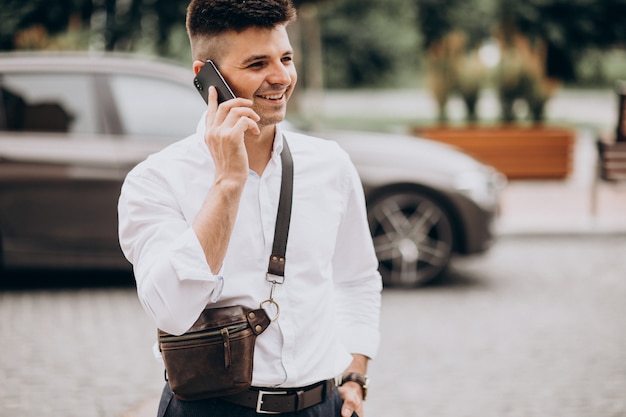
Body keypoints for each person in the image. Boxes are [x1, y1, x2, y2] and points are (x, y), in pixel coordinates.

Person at [117, 0, 382, 416]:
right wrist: (227, 184)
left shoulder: (330, 164)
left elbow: (356, 278)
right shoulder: (155, 181)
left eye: (287, 58)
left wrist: (355, 372)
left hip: (321, 405)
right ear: (207, 76)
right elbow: (170, 310)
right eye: (257, 64)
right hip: (212, 407)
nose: (281, 77)